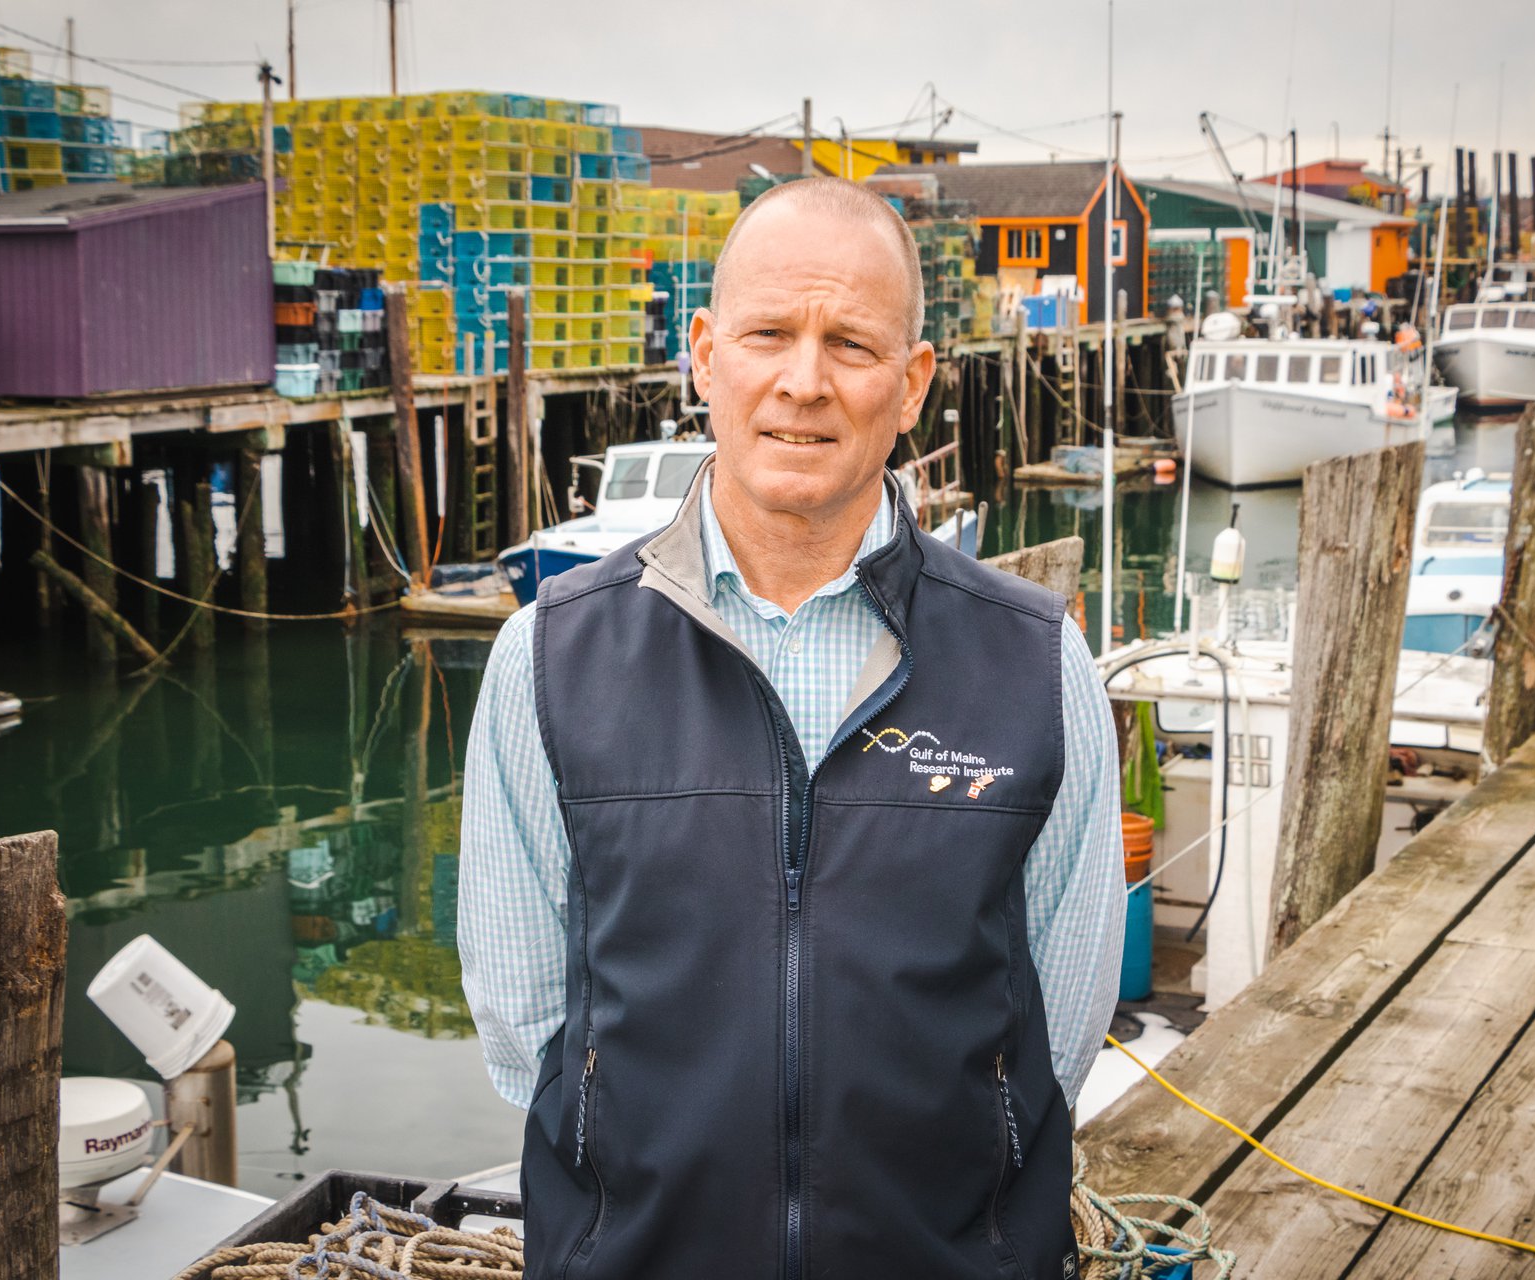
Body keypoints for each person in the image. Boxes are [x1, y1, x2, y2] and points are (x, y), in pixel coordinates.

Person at [458, 177, 1125, 1278]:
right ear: (705, 354)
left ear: (912, 384)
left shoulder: (1038, 663)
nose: (803, 382)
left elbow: (1061, 1018)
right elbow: (523, 1022)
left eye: (851, 344)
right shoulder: (547, 660)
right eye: (769, 332)